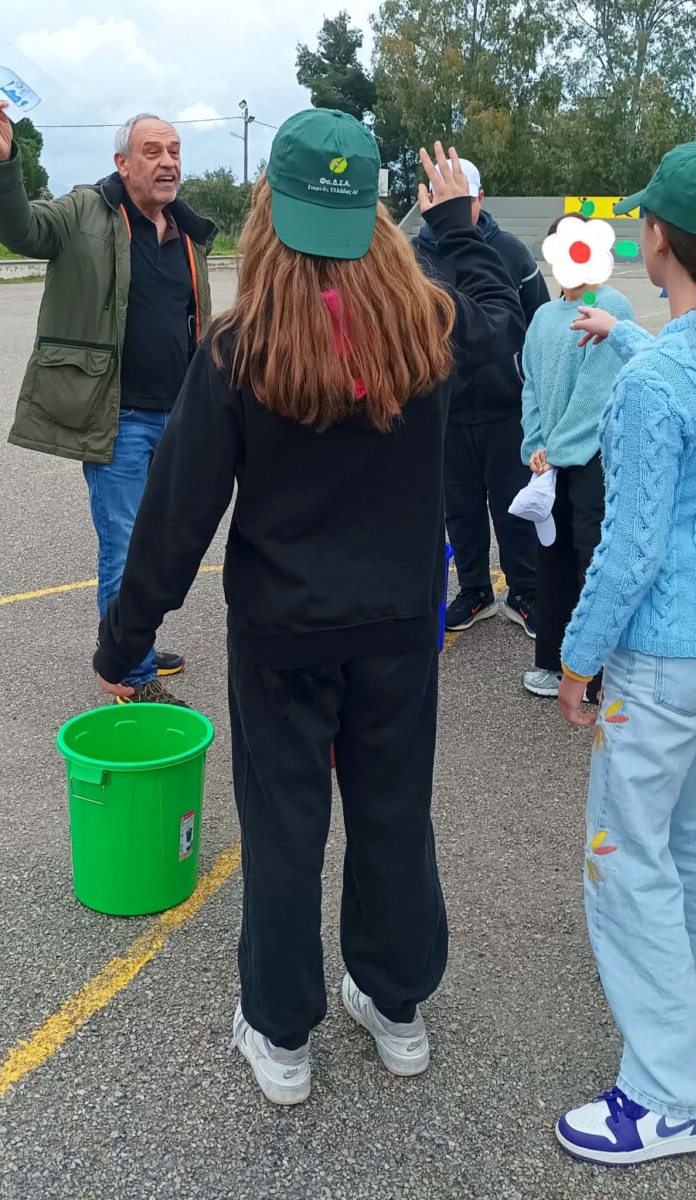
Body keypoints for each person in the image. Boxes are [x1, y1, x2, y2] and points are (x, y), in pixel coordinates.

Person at [92, 110, 524, 1105]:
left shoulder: (241, 346)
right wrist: (459, 225)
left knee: (283, 830)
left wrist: (126, 641)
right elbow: (501, 324)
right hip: (396, 631)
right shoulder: (428, 325)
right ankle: (396, 1005)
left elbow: (175, 515)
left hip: (282, 634)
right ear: (374, 216)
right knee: (391, 813)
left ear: (269, 213)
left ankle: (282, 1036)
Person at [555, 142, 696, 1167]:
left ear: (655, 238)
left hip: (659, 664)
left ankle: (665, 1094)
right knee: (682, 855)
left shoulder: (656, 384)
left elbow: (633, 545)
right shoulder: (660, 362)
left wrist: (577, 654)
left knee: (626, 865)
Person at [0, 101, 217, 704]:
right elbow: (20, 228)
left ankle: (132, 640)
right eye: (152, 151)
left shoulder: (186, 231)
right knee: (127, 544)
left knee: (160, 543)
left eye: (174, 151)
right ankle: (130, 675)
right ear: (122, 162)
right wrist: (3, 162)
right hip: (120, 418)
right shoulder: (84, 210)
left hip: (178, 416)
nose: (168, 162)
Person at [414, 158, 549, 637]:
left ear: (480, 199)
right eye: (441, 198)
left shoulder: (509, 250)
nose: (453, 206)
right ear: (427, 201)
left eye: (464, 199)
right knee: (460, 509)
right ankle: (475, 591)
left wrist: (539, 396)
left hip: (507, 408)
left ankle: (525, 592)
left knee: (515, 506)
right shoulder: (412, 257)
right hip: (446, 410)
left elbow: (539, 321)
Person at [520, 213, 634, 699]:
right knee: (552, 558)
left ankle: (599, 676)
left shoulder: (610, 306)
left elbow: (596, 395)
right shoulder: (544, 316)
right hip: (551, 461)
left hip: (594, 459)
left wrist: (555, 449)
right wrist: (535, 445)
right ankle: (552, 662)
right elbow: (530, 385)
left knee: (593, 560)